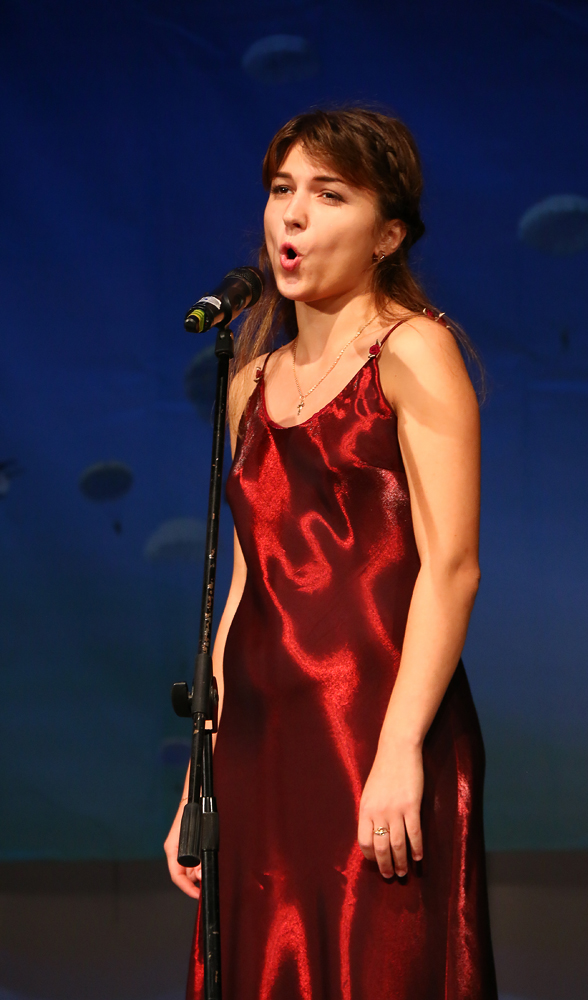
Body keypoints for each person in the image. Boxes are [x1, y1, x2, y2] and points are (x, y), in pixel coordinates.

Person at [165, 106, 498, 1000]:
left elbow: (452, 566)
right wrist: (200, 773)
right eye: (282, 189)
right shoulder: (249, 382)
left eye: (329, 194)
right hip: (261, 737)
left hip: (373, 727)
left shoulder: (413, 349)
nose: (294, 214)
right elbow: (248, 583)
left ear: (388, 234)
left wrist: (399, 749)